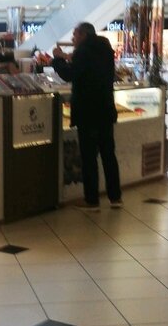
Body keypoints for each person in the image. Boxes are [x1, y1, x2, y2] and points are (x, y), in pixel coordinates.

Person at [51, 21, 122, 211]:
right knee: (108, 154)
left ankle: (92, 200)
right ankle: (115, 197)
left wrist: (57, 60)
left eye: (75, 35)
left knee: (89, 156)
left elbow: (69, 74)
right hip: (105, 109)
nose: (73, 38)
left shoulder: (83, 51)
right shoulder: (105, 49)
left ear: (83, 35)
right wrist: (68, 56)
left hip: (88, 112)